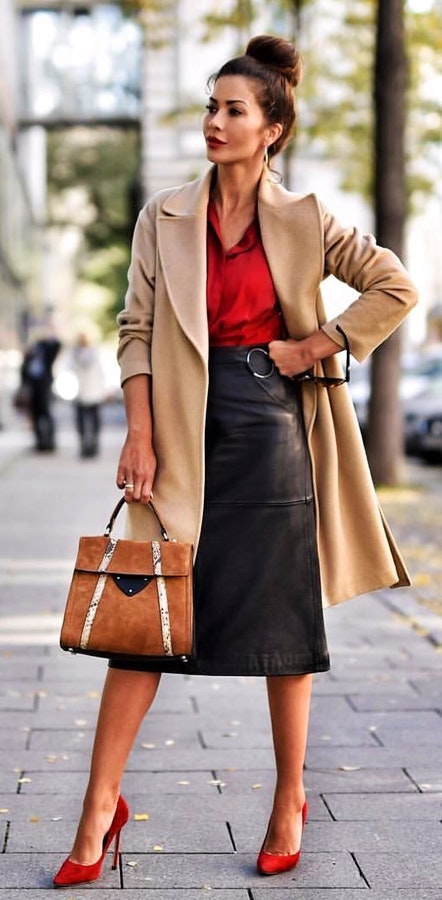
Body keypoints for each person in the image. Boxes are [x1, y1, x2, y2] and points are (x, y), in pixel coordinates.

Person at [53, 34, 418, 886]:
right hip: (179, 429)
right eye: (211, 108)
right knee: (141, 621)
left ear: (271, 130)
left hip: (271, 429)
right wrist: (138, 434)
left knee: (285, 626)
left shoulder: (305, 218)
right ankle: (97, 810)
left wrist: (316, 346)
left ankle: (290, 799)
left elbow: (395, 286)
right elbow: (136, 331)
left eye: (233, 110)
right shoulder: (165, 214)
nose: (214, 122)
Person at [20, 331, 61, 452]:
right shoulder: (29, 356)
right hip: (33, 389)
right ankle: (39, 442)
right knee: (35, 416)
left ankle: (50, 441)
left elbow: (57, 345)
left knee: (47, 415)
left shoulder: (46, 354)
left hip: (44, 388)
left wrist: (46, 339)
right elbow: (23, 372)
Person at [70, 333, 107, 458]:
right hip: (79, 393)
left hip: (94, 393)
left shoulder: (95, 353)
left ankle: (93, 446)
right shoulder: (73, 354)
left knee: (94, 422)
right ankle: (84, 446)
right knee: (81, 423)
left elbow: (101, 374)